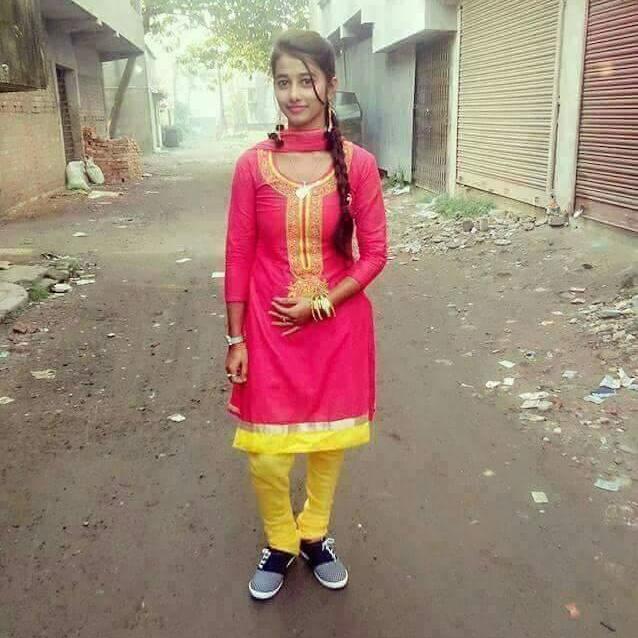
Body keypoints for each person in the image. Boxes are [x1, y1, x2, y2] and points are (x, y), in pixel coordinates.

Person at [224, 28, 387, 601]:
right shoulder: (252, 166)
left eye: (306, 80)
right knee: (266, 455)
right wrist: (236, 337)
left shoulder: (359, 165)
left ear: (330, 85)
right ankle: (280, 541)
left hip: (336, 328)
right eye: (283, 82)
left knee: (326, 445)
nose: (294, 94)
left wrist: (321, 303)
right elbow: (238, 253)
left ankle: (313, 534)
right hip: (269, 332)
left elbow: (375, 254)